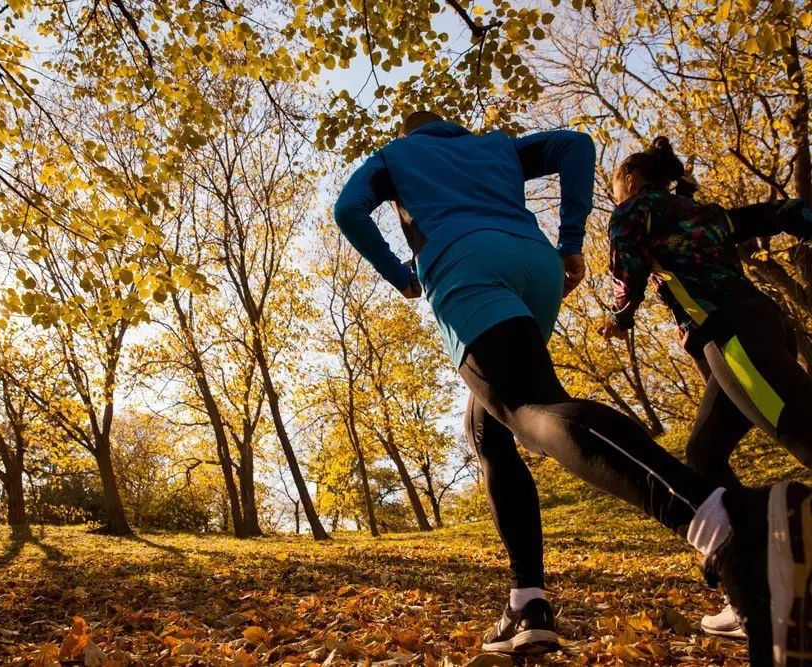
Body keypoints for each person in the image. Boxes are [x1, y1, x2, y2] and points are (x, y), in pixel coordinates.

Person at [332, 109, 812, 666]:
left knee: (527, 405)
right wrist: (570, 239)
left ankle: (727, 524)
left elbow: (348, 210)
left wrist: (401, 274)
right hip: (535, 266)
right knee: (487, 425)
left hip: (465, 265)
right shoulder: (496, 146)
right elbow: (575, 147)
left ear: (408, 132)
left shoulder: (398, 155)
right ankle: (527, 601)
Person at [601, 135, 812, 641]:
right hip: (756, 325)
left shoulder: (634, 212)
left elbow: (626, 272)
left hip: (733, 336)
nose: (615, 198)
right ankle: (755, 581)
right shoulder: (703, 212)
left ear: (629, 180)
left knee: (804, 431)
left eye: (615, 189)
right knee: (704, 454)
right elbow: (783, 212)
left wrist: (618, 317)